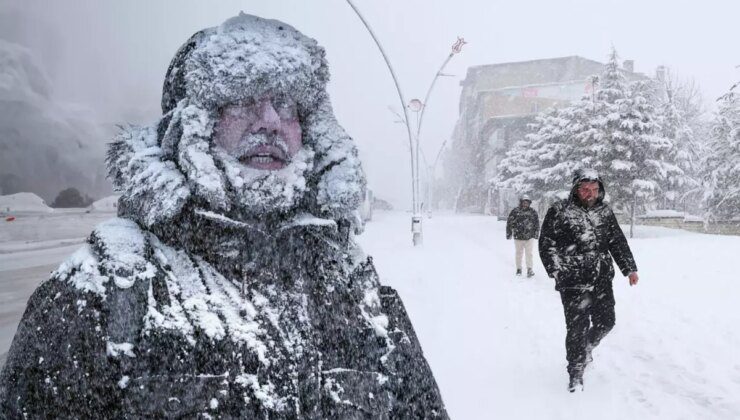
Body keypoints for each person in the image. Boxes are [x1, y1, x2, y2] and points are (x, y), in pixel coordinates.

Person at [0, 14, 448, 418]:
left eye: (287, 104)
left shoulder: (353, 284)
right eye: (243, 99)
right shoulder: (103, 292)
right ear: (191, 125)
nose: (271, 120)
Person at [538, 168, 638, 392]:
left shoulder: (604, 212)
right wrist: (556, 270)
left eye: (594, 189)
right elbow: (546, 244)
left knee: (607, 321)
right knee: (577, 328)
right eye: (585, 189)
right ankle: (575, 371)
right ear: (576, 189)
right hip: (573, 280)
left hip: (602, 278)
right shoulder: (560, 211)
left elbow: (617, 242)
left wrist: (629, 268)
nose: (590, 193)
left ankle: (587, 348)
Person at [506, 195, 539, 277]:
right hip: (518, 237)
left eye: (527, 202)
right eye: (524, 202)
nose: (525, 204)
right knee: (519, 253)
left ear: (529, 203)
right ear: (521, 202)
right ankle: (519, 269)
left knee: (529, 254)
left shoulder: (533, 212)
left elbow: (536, 223)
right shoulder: (515, 211)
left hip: (529, 237)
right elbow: (509, 222)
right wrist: (509, 233)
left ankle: (529, 269)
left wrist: (536, 233)